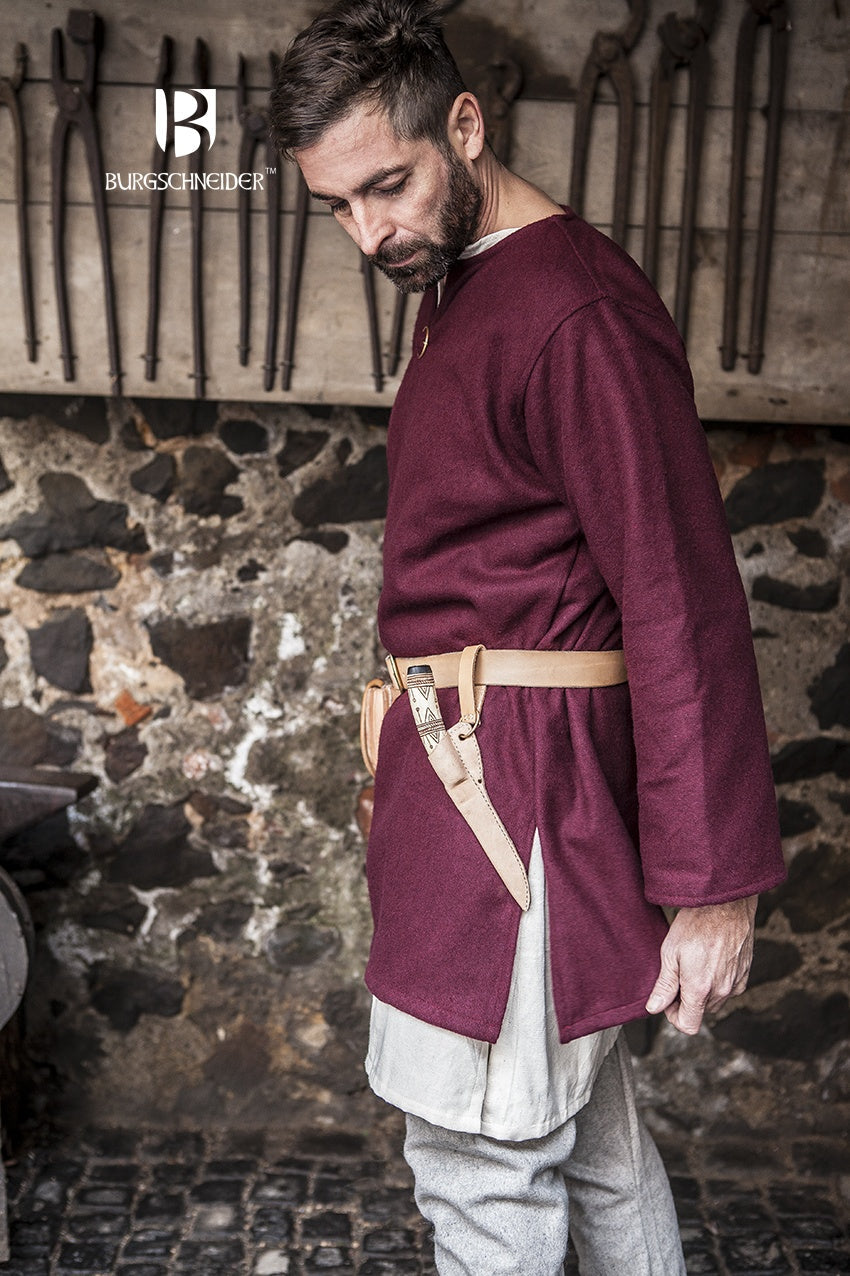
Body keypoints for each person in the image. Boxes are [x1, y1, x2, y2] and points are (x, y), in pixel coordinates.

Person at [269, 4, 787, 1272]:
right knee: (588, 1143)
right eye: (337, 207)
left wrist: (713, 882)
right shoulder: (468, 282)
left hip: (519, 804)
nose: (369, 234)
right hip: (473, 784)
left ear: (465, 124)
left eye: (386, 187)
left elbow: (680, 595)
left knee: (482, 1160)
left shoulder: (577, 313)